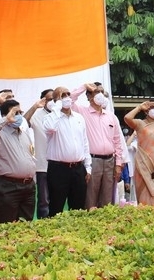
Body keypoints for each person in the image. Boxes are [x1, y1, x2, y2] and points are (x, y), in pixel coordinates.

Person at [37, 87, 91, 217]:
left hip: (78, 168)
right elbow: (50, 128)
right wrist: (57, 108)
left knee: (78, 208)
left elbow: (84, 143)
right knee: (56, 207)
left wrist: (88, 167)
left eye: (68, 94)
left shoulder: (78, 117)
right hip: (58, 169)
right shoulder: (49, 118)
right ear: (56, 101)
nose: (66, 97)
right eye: (62, 96)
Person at [69, 83, 123, 209]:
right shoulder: (82, 112)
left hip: (110, 160)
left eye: (102, 92)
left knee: (107, 196)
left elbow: (117, 141)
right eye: (96, 92)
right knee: (91, 195)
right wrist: (84, 86)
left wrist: (119, 163)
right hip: (93, 160)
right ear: (89, 96)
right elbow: (69, 100)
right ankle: (91, 222)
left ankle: (106, 224)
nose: (100, 95)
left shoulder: (111, 116)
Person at [0, 99, 36, 224]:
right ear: (5, 115)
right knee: (4, 223)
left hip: (28, 186)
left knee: (25, 224)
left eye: (19, 112)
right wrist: (6, 120)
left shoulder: (23, 132)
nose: (18, 116)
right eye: (14, 113)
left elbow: (30, 155)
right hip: (8, 186)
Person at [24, 88, 54, 218]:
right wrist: (35, 106)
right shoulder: (37, 115)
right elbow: (24, 121)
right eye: (49, 99)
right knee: (44, 200)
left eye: (54, 99)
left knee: (56, 199)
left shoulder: (60, 114)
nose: (52, 102)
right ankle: (44, 225)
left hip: (59, 164)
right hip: (42, 165)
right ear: (43, 100)